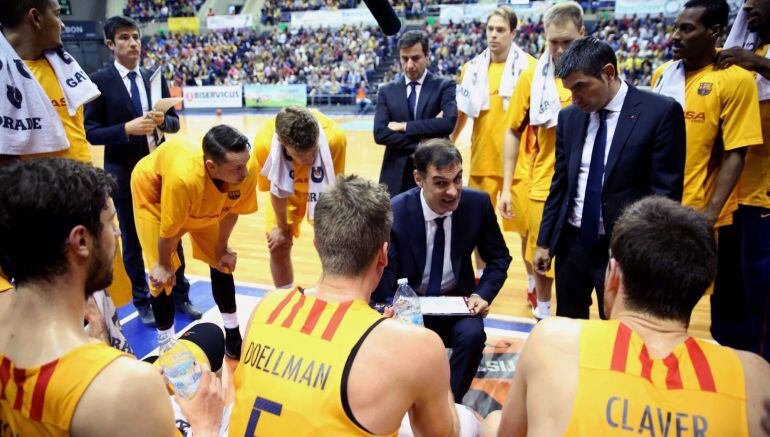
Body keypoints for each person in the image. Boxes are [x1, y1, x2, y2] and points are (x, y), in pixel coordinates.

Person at [491, 196, 770, 436]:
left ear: (612, 276)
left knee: (492, 422)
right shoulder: (755, 377)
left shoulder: (551, 339)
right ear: (700, 285)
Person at [0, 158, 224, 436]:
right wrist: (206, 426)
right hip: (126, 393)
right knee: (211, 342)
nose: (117, 233)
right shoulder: (126, 387)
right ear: (81, 241)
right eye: (111, 222)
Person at [230, 175, 461, 436]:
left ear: (318, 247)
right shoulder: (420, 348)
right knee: (472, 420)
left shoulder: (269, 305)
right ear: (383, 255)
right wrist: (436, 373)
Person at [533, 37, 686, 319]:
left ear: (608, 72)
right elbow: (561, 184)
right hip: (573, 243)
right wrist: (544, 241)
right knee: (569, 323)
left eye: (580, 86)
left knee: (620, 326)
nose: (575, 98)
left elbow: (665, 195)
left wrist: (649, 253)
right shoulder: (569, 117)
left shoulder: (660, 112)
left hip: (624, 247)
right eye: (569, 90)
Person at [654, 0, 764, 353]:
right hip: (664, 211)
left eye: (687, 29)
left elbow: (737, 152)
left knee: (726, 319)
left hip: (711, 219)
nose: (676, 36)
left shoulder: (735, 80)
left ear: (714, 32)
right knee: (661, 304)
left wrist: (710, 215)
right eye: (676, 27)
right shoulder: (663, 75)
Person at [373, 139, 512, 403]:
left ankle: (448, 404)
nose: (453, 191)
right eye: (440, 183)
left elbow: (499, 258)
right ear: (418, 179)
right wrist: (385, 309)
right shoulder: (395, 212)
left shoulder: (477, 204)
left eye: (457, 179)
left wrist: (483, 293)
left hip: (454, 302)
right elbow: (382, 274)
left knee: (472, 335)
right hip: (408, 305)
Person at [84, 16, 200, 327]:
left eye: (136, 37)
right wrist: (126, 128)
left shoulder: (154, 77)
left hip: (162, 172)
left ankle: (180, 295)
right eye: (124, 37)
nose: (133, 42)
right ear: (111, 44)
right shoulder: (98, 80)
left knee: (172, 232)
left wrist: (163, 122)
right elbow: (91, 132)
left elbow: (173, 123)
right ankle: (143, 299)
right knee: (133, 242)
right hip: (124, 174)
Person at [131, 125, 260, 359]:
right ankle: (168, 347)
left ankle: (233, 335)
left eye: (246, 163)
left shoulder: (244, 168)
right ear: (212, 166)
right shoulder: (184, 178)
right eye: (238, 168)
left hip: (194, 194)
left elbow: (232, 210)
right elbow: (168, 230)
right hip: (154, 197)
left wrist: (222, 248)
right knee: (162, 278)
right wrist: (162, 263)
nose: (246, 173)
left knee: (221, 262)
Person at [499, 1, 584, 319]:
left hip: (586, 186)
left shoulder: (594, 74)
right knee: (540, 257)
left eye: (567, 41)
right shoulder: (531, 78)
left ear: (582, 33)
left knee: (578, 262)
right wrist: (507, 187)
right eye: (553, 42)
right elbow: (512, 132)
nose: (560, 49)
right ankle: (543, 314)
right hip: (543, 185)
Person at [451, 6, 534, 279]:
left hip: (520, 164)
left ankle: (534, 283)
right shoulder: (471, 68)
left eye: (500, 30)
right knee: (477, 225)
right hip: (483, 160)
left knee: (526, 229)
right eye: (490, 29)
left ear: (513, 32)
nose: (494, 35)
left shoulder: (530, 68)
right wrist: (450, 141)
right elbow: (461, 113)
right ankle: (479, 274)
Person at [717, 0, 770, 362]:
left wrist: (755, 63)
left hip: (764, 199)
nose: (748, 4)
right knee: (728, 295)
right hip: (732, 197)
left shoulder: (752, 60)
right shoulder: (746, 54)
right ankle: (729, 366)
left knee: (761, 299)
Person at [252, 106, 346, 289]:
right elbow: (274, 191)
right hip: (287, 194)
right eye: (301, 155)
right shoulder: (264, 142)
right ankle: (285, 296)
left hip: (322, 191)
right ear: (281, 142)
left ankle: (331, 293)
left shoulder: (335, 138)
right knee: (278, 244)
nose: (310, 158)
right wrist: (281, 228)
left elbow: (334, 190)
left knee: (331, 243)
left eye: (313, 151)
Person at [374, 30, 458, 197]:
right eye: (405, 59)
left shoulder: (444, 86)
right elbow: (380, 133)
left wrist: (403, 126)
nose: (409, 65)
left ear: (427, 56)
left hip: (434, 172)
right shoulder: (386, 91)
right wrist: (421, 145)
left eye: (415, 58)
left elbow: (448, 124)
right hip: (395, 174)